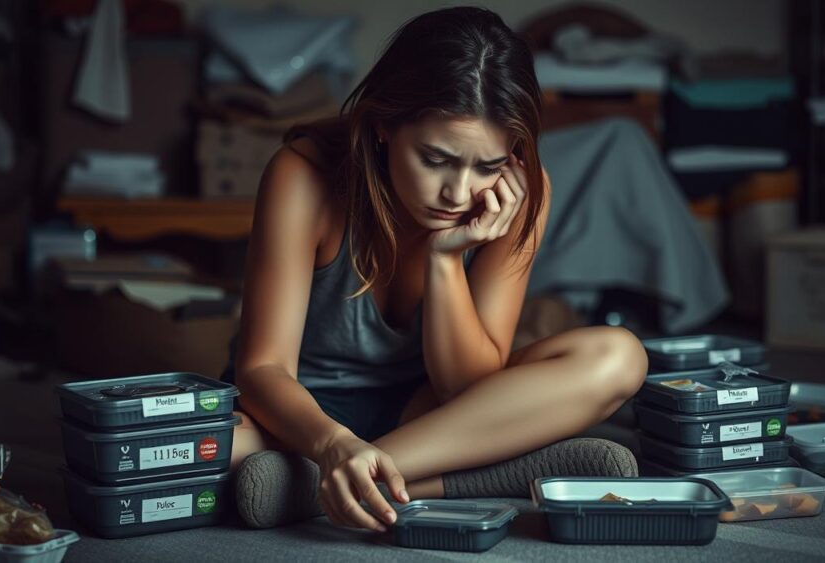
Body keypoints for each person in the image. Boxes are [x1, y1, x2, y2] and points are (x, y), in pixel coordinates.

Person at [222, 6, 648, 532]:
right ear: (383, 126)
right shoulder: (302, 176)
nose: (460, 192)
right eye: (436, 159)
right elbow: (262, 369)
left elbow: (466, 389)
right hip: (301, 420)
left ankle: (323, 486)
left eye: (487, 166)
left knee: (618, 356)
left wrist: (445, 257)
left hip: (431, 417)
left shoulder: (522, 194)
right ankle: (441, 477)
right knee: (193, 448)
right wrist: (332, 444)